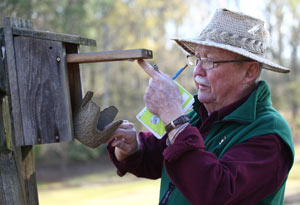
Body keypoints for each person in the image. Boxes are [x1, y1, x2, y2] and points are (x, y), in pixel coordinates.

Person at [106, 8, 294, 204]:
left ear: (249, 72)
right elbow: (158, 160)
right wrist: (131, 148)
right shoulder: (198, 114)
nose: (197, 71)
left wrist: (173, 117)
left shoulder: (269, 132)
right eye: (197, 59)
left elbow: (217, 192)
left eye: (210, 61)